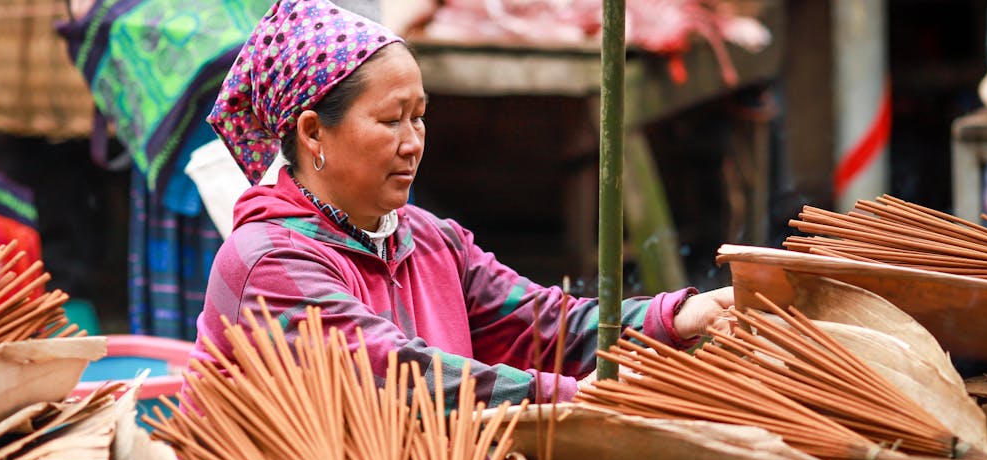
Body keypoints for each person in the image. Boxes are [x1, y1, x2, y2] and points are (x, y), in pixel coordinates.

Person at [195, 0, 735, 407]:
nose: (412, 142)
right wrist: (567, 397)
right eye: (391, 120)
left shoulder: (431, 240)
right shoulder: (268, 263)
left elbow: (542, 324)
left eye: (419, 117)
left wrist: (679, 314)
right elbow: (399, 375)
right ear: (313, 132)